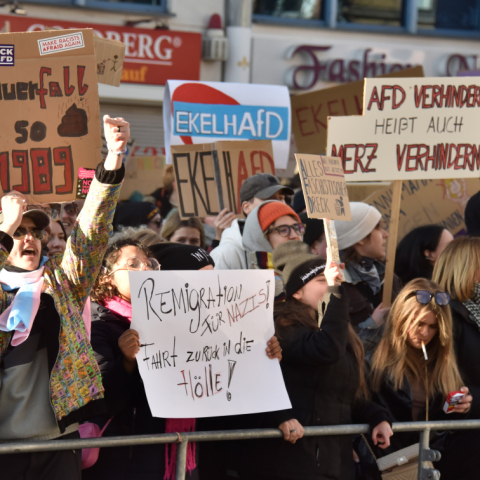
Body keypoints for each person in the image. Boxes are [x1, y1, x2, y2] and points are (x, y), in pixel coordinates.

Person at [85, 240, 285, 480]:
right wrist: (127, 362)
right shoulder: (99, 325)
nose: (144, 270)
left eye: (149, 264)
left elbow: (224, 402)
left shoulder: (200, 329)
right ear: (108, 278)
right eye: (133, 264)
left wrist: (262, 357)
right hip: (125, 458)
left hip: (181, 454)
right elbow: (102, 402)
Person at [0, 114, 128, 480]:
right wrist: (4, 229)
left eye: (34, 231)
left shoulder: (62, 281)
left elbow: (90, 232)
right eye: (18, 231)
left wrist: (113, 161)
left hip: (59, 443)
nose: (28, 238)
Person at [238, 242, 393, 480]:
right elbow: (326, 351)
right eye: (321, 281)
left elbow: (340, 395)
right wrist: (336, 294)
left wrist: (376, 417)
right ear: (297, 292)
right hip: (291, 462)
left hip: (334, 463)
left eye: (331, 280)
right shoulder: (283, 328)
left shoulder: (339, 331)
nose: (332, 285)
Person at [361, 278, 471, 479]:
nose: (425, 333)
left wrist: (455, 406)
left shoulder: (440, 361)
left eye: (433, 327)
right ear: (402, 317)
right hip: (383, 462)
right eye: (419, 323)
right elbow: (357, 404)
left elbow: (437, 421)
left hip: (426, 463)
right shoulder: (373, 355)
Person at [432, 236, 480, 479]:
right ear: (467, 268)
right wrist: (465, 402)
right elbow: (445, 390)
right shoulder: (447, 315)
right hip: (464, 446)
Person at [334, 202, 402, 333]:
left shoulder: (388, 277)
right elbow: (339, 345)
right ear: (361, 238)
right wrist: (372, 324)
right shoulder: (336, 285)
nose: (385, 234)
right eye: (378, 228)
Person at [210, 173, 293, 270]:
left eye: (281, 198)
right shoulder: (224, 255)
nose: (278, 204)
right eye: (269, 199)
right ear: (246, 207)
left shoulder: (292, 245)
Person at [242, 200, 305, 302]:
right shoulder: (255, 285)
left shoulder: (315, 270)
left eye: (297, 228)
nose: (294, 236)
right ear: (262, 239)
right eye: (283, 230)